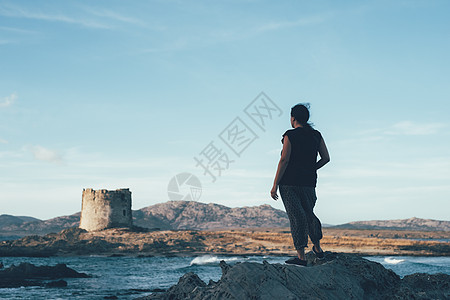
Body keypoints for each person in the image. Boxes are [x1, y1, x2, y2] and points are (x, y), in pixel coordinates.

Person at [270, 103, 330, 267]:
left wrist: (275, 184)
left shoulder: (290, 135)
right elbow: (326, 158)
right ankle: (318, 249)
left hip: (289, 183)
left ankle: (301, 257)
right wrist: (311, 169)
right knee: (309, 214)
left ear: (293, 118)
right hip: (309, 183)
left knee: (297, 218)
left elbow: (284, 160)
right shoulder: (316, 135)